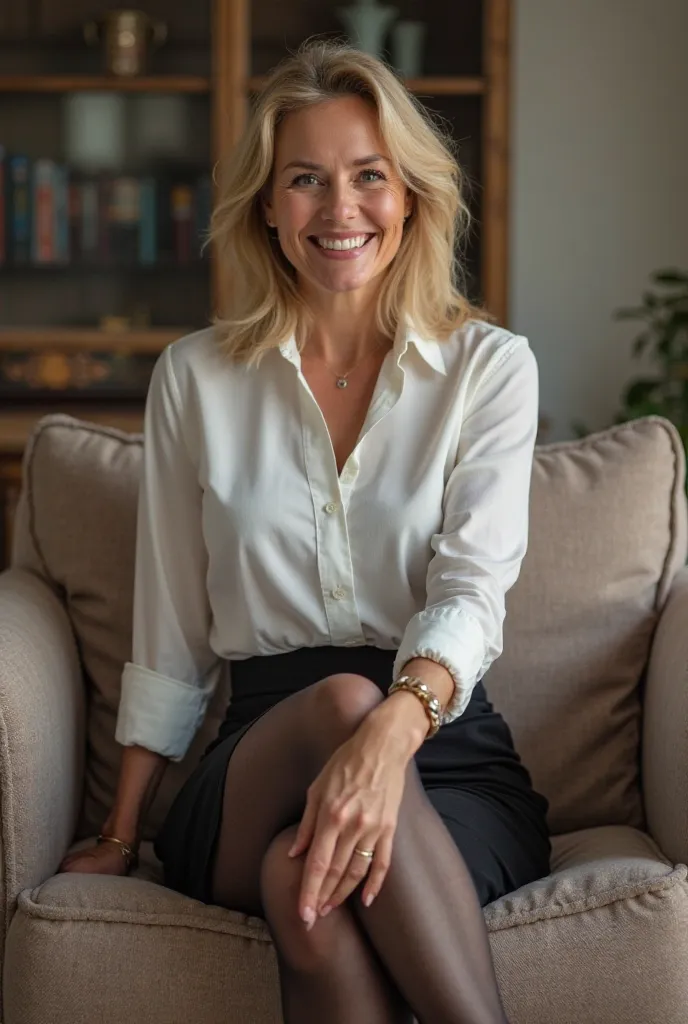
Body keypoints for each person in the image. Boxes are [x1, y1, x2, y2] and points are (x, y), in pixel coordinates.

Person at [60, 39, 550, 1024]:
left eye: (369, 176)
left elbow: (470, 591)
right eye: (306, 181)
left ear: (409, 195)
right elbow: (169, 627)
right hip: (256, 760)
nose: (341, 210)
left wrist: (389, 736)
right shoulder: (194, 380)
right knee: (334, 702)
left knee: (306, 895)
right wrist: (118, 830)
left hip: (445, 757)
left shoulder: (488, 370)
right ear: (267, 207)